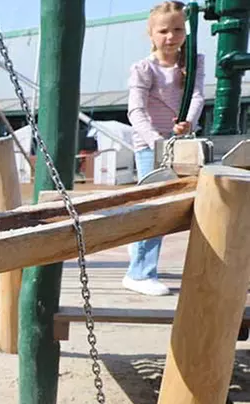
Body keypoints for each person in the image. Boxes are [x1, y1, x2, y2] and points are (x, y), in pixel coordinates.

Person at [124, 0, 204, 296]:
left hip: (181, 143)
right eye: (163, 31)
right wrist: (156, 141)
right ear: (151, 34)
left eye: (178, 30)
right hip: (151, 146)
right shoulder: (144, 68)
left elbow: (196, 96)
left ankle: (140, 255)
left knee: (178, 204)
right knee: (155, 206)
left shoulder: (193, 62)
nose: (171, 37)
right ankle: (140, 273)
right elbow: (135, 110)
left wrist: (187, 122)